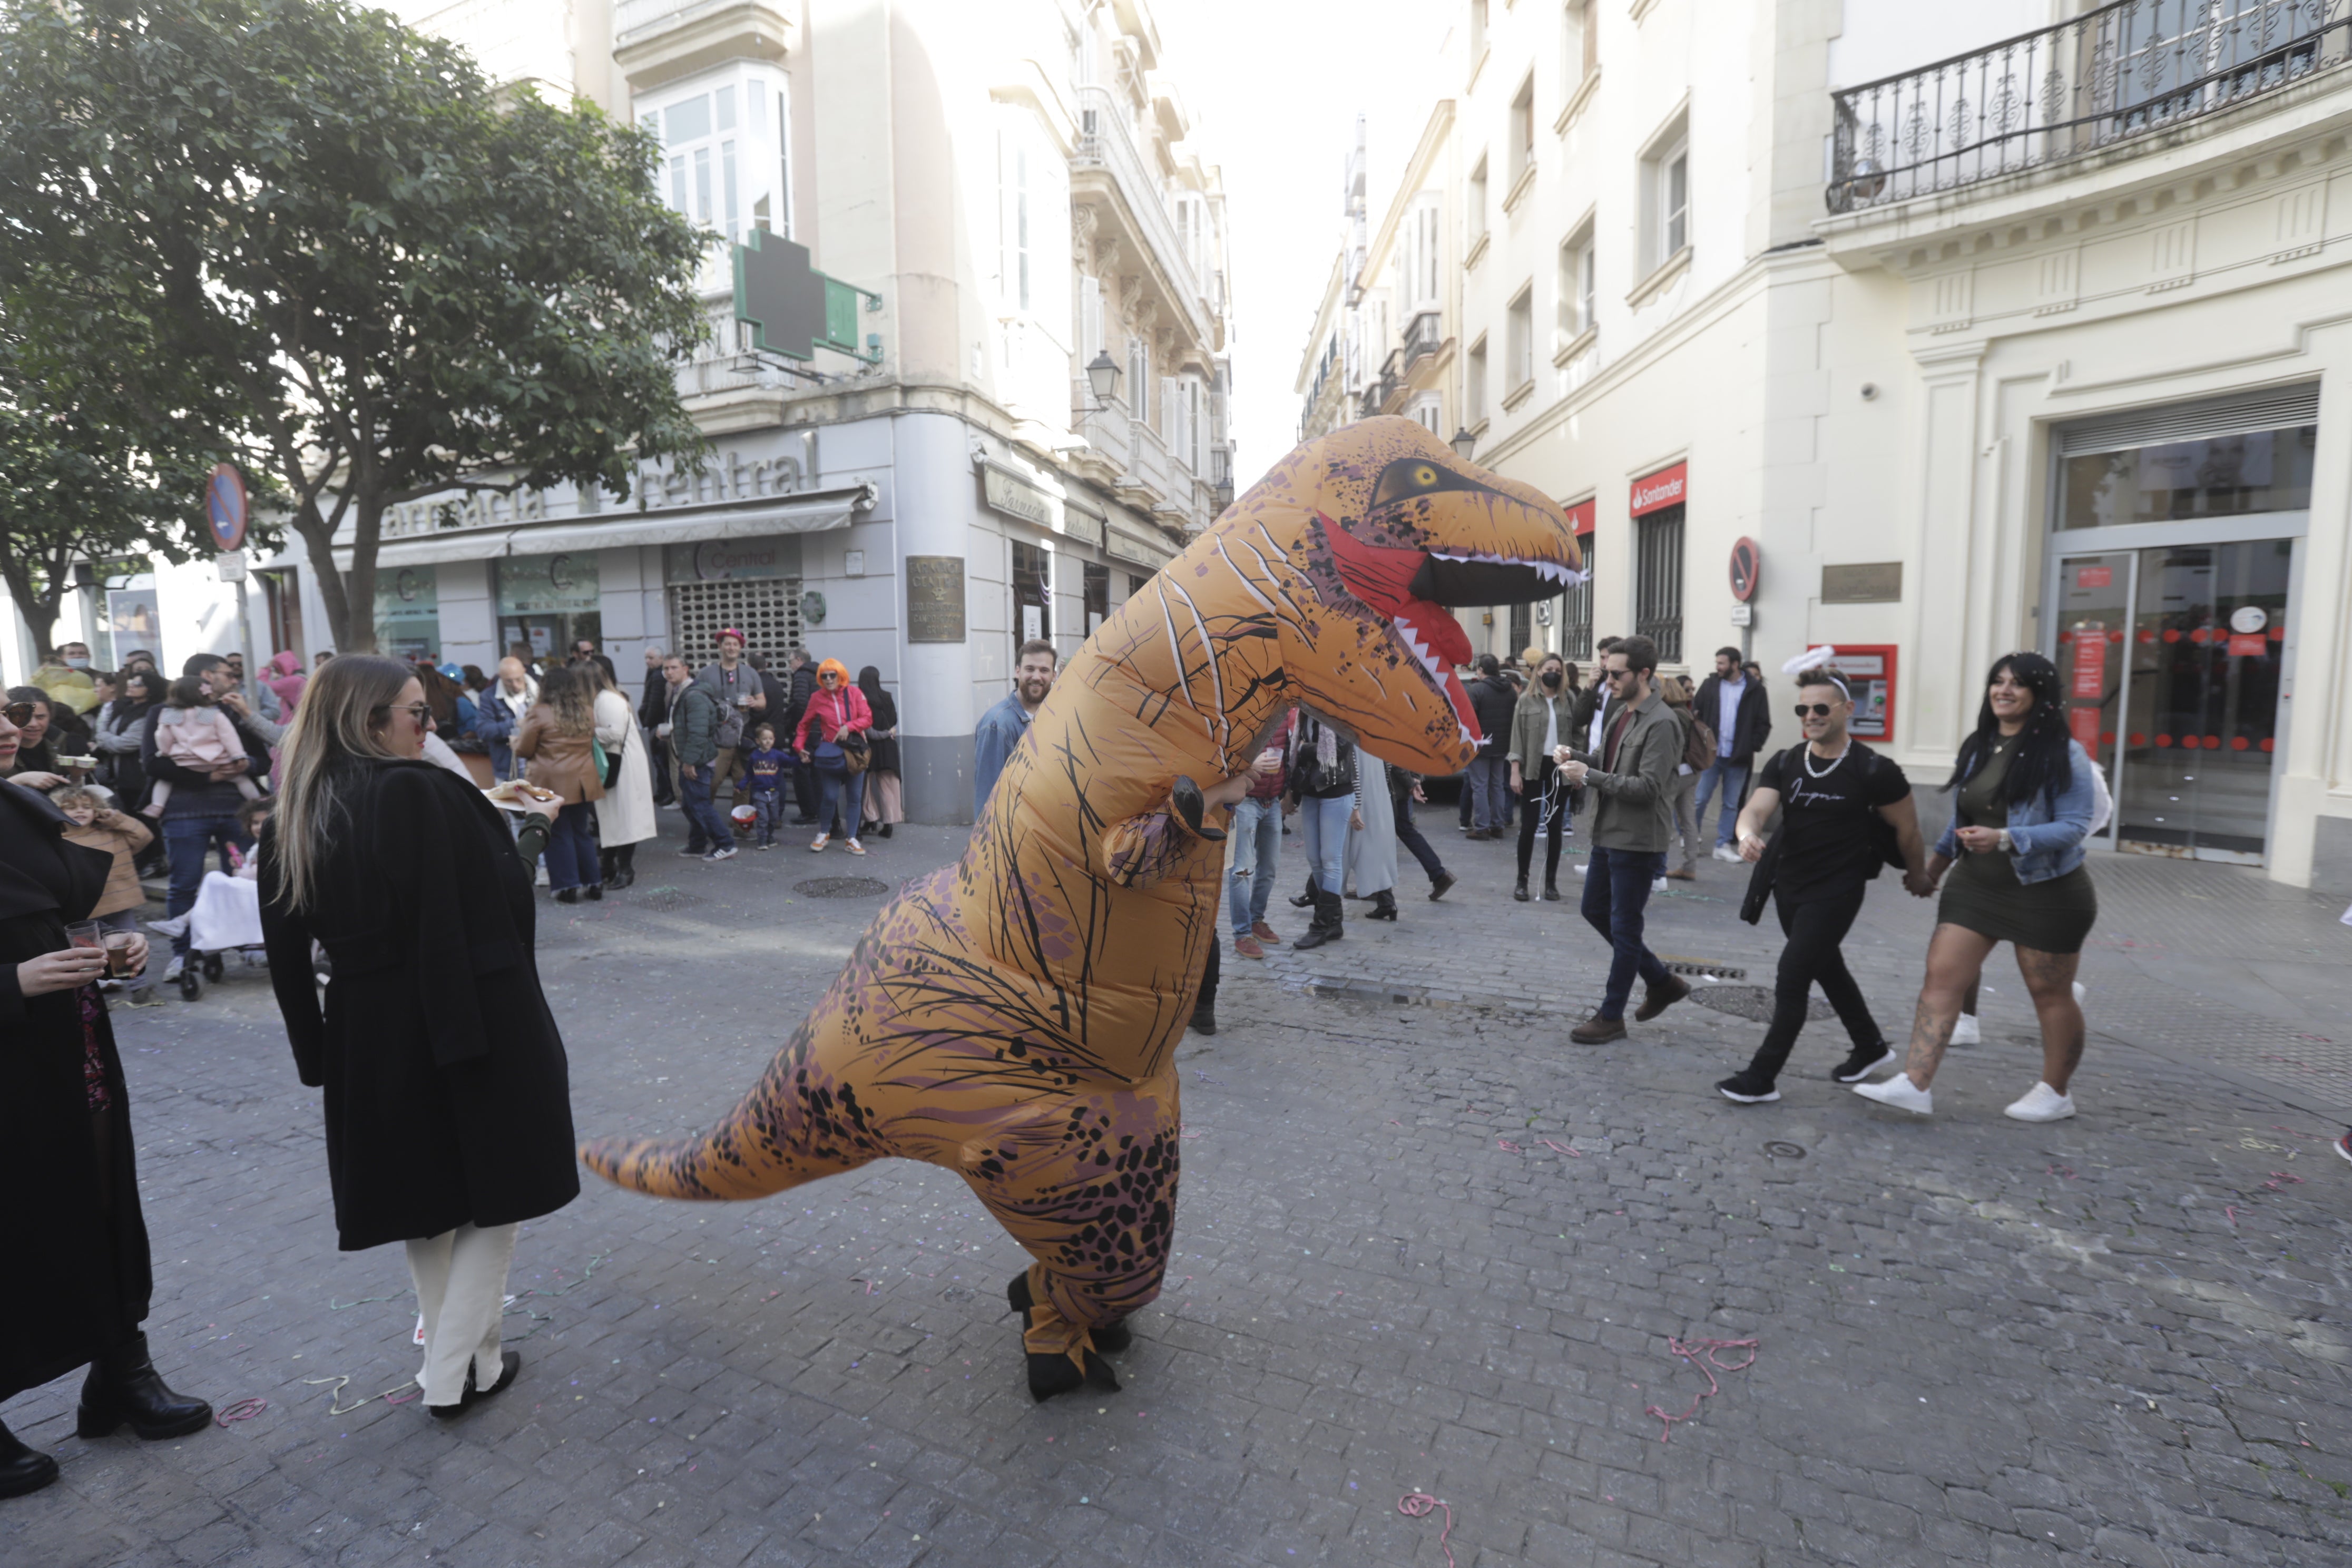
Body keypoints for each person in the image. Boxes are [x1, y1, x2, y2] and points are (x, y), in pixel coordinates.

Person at [257, 654, 578, 1419]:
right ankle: (445, 1376)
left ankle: (481, 1361)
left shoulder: (295, 810)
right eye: (417, 714)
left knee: (425, 1199)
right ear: (372, 722)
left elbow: (283, 954)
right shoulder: (418, 791)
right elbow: (500, 898)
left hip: (366, 1026)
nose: (429, 726)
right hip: (465, 1008)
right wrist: (531, 831)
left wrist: (318, 1053)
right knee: (499, 1193)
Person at [1, 718, 209, 1500]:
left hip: (67, 1050)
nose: (9, 727)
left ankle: (119, 1373)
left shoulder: (24, 809)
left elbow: (56, 912)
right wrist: (14, 983)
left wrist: (107, 953)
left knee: (101, 1205)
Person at [1855, 652, 2101, 1122]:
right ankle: (1915, 1083)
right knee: (1941, 979)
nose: (2004, 690)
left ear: (2040, 695)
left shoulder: (2064, 753)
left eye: (2017, 684)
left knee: (2050, 993)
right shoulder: (1981, 744)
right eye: (1998, 681)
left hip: (2047, 891)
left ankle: (2056, 1092)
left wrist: (2009, 838)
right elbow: (1963, 819)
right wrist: (1933, 870)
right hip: (1976, 887)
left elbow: (2075, 825)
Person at [1714, 669, 1930, 1104]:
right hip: (1789, 886)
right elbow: (1755, 809)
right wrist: (1746, 834)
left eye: (1820, 708)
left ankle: (1762, 1077)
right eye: (1803, 709)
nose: (1810, 716)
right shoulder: (1788, 760)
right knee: (1826, 966)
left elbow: (1907, 830)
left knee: (1793, 976)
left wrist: (1918, 873)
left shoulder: (1874, 769)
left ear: (1847, 710)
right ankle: (1869, 1045)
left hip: (1838, 890)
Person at [1557, 635, 1689, 1044]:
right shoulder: (1622, 714)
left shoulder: (1663, 722)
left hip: (1638, 840)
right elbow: (1606, 761)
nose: (1608, 680)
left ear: (1644, 674)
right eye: (1606, 672)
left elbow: (1649, 787)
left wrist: (1589, 777)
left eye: (1617, 674)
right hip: (1607, 832)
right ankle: (1662, 981)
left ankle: (1611, 1016)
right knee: (1594, 909)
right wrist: (1577, 758)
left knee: (1625, 927)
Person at [141, 658, 273, 981]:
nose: (234, 679)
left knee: (244, 881)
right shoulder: (167, 712)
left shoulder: (232, 710)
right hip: (184, 813)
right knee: (184, 883)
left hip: (238, 814)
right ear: (206, 678)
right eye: (228, 674)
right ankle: (183, 953)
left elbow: (262, 761)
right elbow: (154, 763)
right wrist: (210, 776)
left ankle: (248, 945)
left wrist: (243, 765)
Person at [514, 663, 607, 903]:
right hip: (583, 780)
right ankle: (593, 882)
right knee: (582, 832)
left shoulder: (540, 712)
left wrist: (515, 740)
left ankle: (567, 886)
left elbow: (525, 749)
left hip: (551, 782)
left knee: (557, 834)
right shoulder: (586, 710)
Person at [52, 786, 156, 998]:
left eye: (87, 807)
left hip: (120, 902)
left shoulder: (112, 832)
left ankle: (140, 987)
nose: (79, 811)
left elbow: (144, 836)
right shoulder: (57, 842)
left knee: (129, 948)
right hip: (86, 910)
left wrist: (115, 818)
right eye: (70, 808)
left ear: (98, 809)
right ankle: (93, 990)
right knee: (90, 952)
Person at [1507, 653, 1578, 901]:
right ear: (1539, 671)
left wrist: (1579, 767)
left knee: (1554, 827)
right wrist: (1515, 771)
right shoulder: (1526, 700)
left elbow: (1578, 733)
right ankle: (1522, 881)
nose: (1554, 674)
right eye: (1550, 669)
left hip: (1560, 768)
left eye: (1559, 671)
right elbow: (1516, 737)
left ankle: (1551, 883)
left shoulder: (1568, 699)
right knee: (1528, 827)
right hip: (1532, 768)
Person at [142, 676, 266, 817]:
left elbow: (163, 736)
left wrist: (165, 752)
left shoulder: (169, 715)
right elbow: (229, 737)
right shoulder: (213, 714)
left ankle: (157, 805)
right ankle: (256, 803)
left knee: (165, 780)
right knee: (241, 779)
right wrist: (238, 756)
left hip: (184, 761)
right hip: (215, 760)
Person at [1287, 710, 1357, 950]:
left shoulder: (1341, 712)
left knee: (1331, 859)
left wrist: (1305, 750)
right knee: (1314, 859)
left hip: (1337, 792)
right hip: (1311, 790)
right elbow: (1293, 749)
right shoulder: (1304, 715)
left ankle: (1321, 925)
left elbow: (1339, 750)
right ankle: (1334, 922)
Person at [1693, 647, 1771, 862]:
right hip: (1712, 755)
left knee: (1731, 804)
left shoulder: (1755, 690)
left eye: (1722, 663)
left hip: (1738, 757)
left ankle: (1723, 845)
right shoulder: (1710, 685)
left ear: (1735, 665)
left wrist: (1751, 746)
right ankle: (1690, 838)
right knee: (1700, 798)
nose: (1717, 667)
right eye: (1717, 663)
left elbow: (1764, 723)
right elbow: (1695, 713)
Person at [587, 658, 656, 889]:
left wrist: (583, 732)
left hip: (622, 764)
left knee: (623, 818)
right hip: (616, 763)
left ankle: (625, 869)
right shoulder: (605, 698)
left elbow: (614, 734)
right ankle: (609, 866)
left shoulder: (608, 700)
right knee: (612, 818)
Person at [1227, 713, 1291, 959]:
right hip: (1246, 801)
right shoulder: (1244, 711)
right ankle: (1242, 934)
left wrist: (1288, 793)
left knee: (1269, 868)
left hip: (1272, 802)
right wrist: (1251, 766)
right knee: (1242, 871)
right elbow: (1225, 755)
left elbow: (1289, 757)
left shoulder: (1285, 715)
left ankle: (1256, 920)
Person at [795, 658, 873, 854]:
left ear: (841, 676)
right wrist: (798, 746)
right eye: (824, 676)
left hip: (854, 753)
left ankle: (852, 838)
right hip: (831, 753)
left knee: (854, 798)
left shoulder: (854, 693)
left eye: (832, 675)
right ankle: (824, 832)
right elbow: (804, 724)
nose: (828, 679)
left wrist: (849, 726)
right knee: (829, 797)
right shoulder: (817, 698)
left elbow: (867, 718)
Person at [974, 640, 1056, 818]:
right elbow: (988, 799)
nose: (1037, 676)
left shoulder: (1053, 716)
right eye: (1030, 669)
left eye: (1044, 670)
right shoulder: (997, 725)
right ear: (1017, 672)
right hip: (1010, 837)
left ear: (1054, 676)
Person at [664, 655, 734, 861]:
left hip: (697, 760)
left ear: (685, 669)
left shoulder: (693, 696)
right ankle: (697, 845)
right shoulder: (682, 692)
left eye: (674, 668)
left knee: (700, 804)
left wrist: (690, 762)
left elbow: (698, 732)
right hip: (690, 757)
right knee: (690, 804)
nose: (669, 672)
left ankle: (725, 844)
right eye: (666, 668)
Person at [695, 629, 764, 807]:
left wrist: (754, 703)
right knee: (712, 782)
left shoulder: (751, 673)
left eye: (735, 644)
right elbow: (697, 702)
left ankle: (741, 826)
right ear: (720, 646)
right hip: (718, 737)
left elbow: (762, 701)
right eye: (727, 644)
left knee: (744, 783)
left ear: (740, 647)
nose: (731, 648)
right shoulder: (706, 673)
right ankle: (705, 821)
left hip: (744, 738)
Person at [1463, 654, 1517, 839]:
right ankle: (1498, 825)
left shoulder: (1476, 690)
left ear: (1480, 670)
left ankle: (1482, 828)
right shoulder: (1510, 690)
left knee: (1479, 786)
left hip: (1480, 745)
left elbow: (1468, 720)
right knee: (1497, 785)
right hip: (1503, 745)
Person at [1660, 675, 1706, 881]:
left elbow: (1673, 747)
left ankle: (1658, 870)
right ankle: (1690, 866)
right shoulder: (1685, 711)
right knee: (1688, 820)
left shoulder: (1673, 714)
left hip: (1679, 772)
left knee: (1661, 818)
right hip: (1692, 772)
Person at [1390, 768, 1456, 903]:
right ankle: (1438, 873)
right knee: (1404, 829)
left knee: (1380, 832)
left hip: (1393, 786)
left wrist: (1412, 782)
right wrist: (1414, 779)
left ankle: (1377, 887)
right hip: (1399, 786)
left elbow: (1394, 761)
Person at [857, 667, 904, 839]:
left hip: (868, 747)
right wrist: (889, 731)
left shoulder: (862, 700)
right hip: (888, 746)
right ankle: (889, 825)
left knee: (865, 787)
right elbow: (894, 720)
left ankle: (870, 819)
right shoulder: (887, 697)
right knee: (889, 788)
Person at [478, 657, 537, 784]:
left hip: (538, 766)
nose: (515, 685)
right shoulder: (489, 696)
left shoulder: (540, 691)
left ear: (524, 671)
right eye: (509, 681)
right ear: (500, 677)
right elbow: (483, 731)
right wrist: (514, 724)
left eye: (518, 679)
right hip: (508, 769)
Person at [781, 649, 819, 824]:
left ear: (799, 660)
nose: (790, 666)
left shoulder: (801, 676)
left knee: (801, 770)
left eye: (790, 662)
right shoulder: (819, 675)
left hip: (806, 731)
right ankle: (818, 809)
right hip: (820, 731)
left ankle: (808, 813)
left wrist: (793, 726)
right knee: (817, 772)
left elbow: (800, 703)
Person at [2, 688, 67, 789]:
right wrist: (18, 781)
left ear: (50, 717)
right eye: (24, 717)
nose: (33, 724)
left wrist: (76, 776)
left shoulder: (62, 742)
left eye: (40, 717)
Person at [742, 724, 789, 849]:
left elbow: (789, 761)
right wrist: (742, 785)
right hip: (759, 792)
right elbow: (749, 774)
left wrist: (800, 760)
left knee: (774, 817)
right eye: (764, 739)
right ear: (758, 741)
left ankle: (769, 835)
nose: (768, 741)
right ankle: (762, 839)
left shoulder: (777, 755)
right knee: (763, 817)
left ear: (774, 740)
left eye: (771, 738)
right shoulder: (754, 756)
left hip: (774, 793)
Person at [638, 648, 674, 808]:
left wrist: (647, 720)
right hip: (655, 723)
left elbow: (655, 702)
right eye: (646, 658)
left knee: (661, 761)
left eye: (651, 658)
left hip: (658, 724)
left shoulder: (659, 676)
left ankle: (667, 793)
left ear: (660, 658)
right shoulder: (653, 673)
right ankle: (663, 792)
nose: (648, 661)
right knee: (659, 761)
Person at [30, 642, 99, 715]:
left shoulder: (101, 677)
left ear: (89, 656)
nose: (77, 656)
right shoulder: (51, 678)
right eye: (72, 654)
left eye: (82, 653)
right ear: (62, 658)